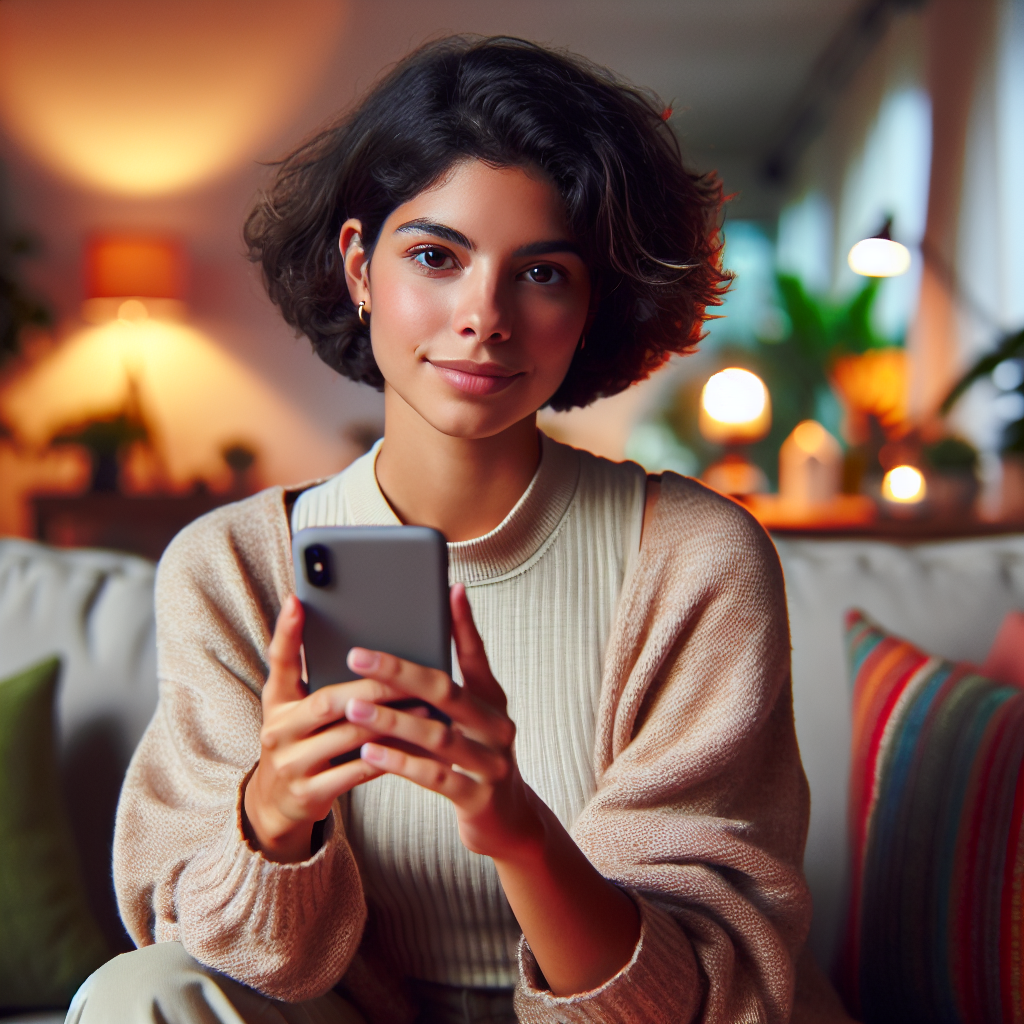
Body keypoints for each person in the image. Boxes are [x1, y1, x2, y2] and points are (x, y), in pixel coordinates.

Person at [68, 35, 851, 1024]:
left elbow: (688, 1000)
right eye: (436, 256)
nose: (483, 317)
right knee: (141, 993)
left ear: (592, 302)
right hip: (341, 1008)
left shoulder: (695, 560)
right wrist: (273, 814)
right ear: (359, 266)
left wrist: (515, 823)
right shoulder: (230, 570)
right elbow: (220, 958)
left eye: (543, 272)